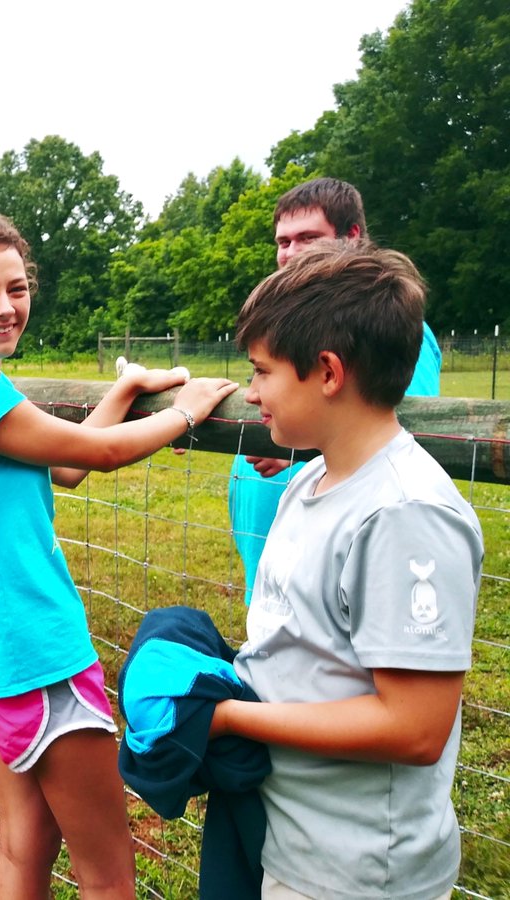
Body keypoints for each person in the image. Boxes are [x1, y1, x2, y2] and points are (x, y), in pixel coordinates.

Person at [0, 215, 238, 897]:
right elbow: (102, 454)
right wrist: (188, 410)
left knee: (25, 847)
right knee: (108, 878)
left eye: (17, 287)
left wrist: (123, 389)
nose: (6, 306)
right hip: (40, 655)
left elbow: (64, 467)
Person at [213, 242, 483, 899]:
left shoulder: (405, 512)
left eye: (262, 372)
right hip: (295, 836)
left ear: (328, 372)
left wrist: (228, 716)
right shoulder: (313, 482)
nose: (251, 394)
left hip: (358, 869)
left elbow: (414, 727)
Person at [230, 176, 443, 603]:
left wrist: (296, 450)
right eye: (283, 241)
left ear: (352, 237)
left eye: (307, 238)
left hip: (337, 545)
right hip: (280, 553)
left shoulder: (382, 332)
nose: (289, 254)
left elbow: (389, 428)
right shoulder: (290, 329)